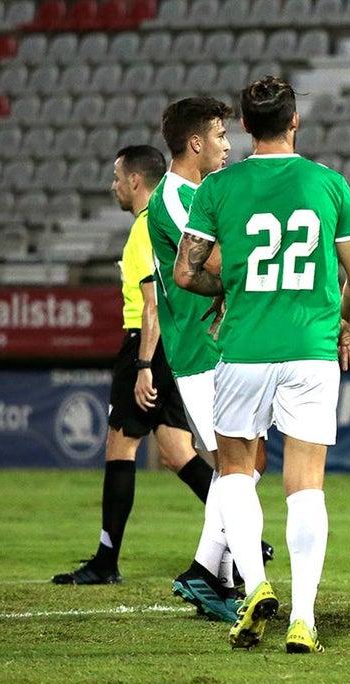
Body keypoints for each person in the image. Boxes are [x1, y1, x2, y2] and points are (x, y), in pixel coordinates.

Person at [174, 75, 350, 653]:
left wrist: (228, 286)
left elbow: (187, 273)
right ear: (294, 123)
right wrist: (341, 318)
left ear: (243, 125)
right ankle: (304, 619)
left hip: (242, 350)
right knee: (305, 484)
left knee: (235, 471)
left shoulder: (218, 187)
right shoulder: (329, 184)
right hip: (311, 351)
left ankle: (256, 585)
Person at [53, 145, 215, 586]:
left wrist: (143, 363)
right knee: (178, 453)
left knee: (120, 447)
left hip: (146, 347)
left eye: (117, 176)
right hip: (170, 349)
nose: (113, 186)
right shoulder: (156, 222)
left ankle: (106, 560)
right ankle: (239, 534)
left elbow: (151, 306)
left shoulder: (146, 229)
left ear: (135, 181)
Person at [139, 96, 272, 622]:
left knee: (243, 459)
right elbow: (215, 259)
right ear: (196, 142)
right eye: (219, 135)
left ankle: (212, 574)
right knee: (240, 461)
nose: (226, 144)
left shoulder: (200, 192)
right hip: (199, 349)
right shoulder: (174, 198)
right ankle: (206, 571)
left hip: (221, 343)